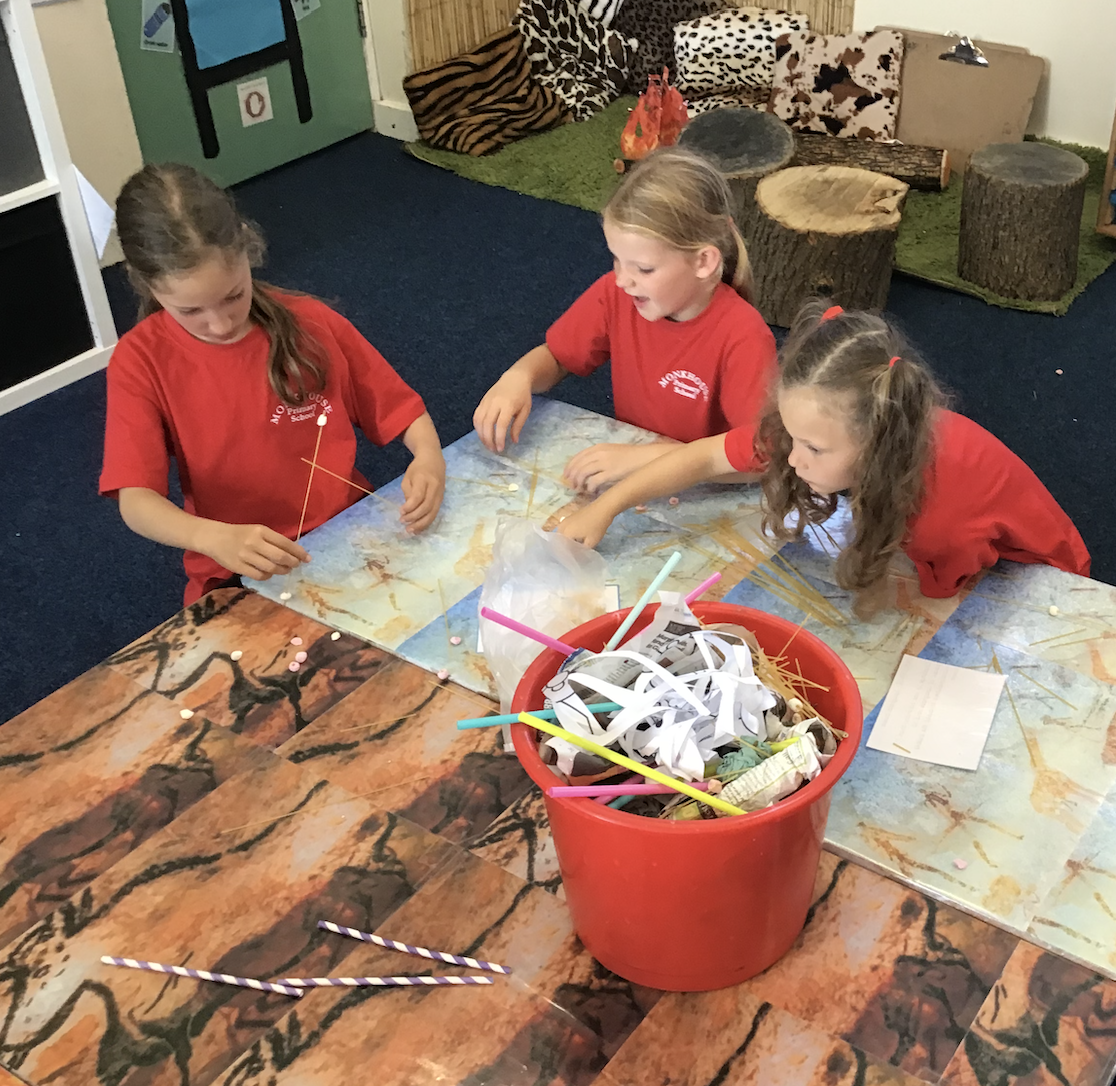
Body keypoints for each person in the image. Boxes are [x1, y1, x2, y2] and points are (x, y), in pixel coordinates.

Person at [557, 300, 1090, 602]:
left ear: (875, 445)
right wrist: (608, 506)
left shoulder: (934, 519)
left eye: (813, 448)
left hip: (1036, 578)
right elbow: (706, 457)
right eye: (792, 438)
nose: (792, 458)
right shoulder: (823, 423)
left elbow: (947, 594)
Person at [100, 163, 445, 605]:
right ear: (146, 283)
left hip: (347, 533)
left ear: (246, 249)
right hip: (235, 565)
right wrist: (211, 537)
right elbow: (136, 500)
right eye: (190, 311)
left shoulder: (312, 324)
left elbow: (402, 409)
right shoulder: (140, 360)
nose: (220, 324)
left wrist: (429, 457)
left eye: (233, 295)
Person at [472, 146, 776, 493]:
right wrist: (519, 377)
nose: (622, 280)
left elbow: (761, 456)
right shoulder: (617, 295)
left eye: (644, 269)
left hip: (705, 492)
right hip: (630, 476)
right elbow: (558, 356)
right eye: (616, 259)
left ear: (704, 262)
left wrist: (650, 460)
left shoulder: (744, 336)